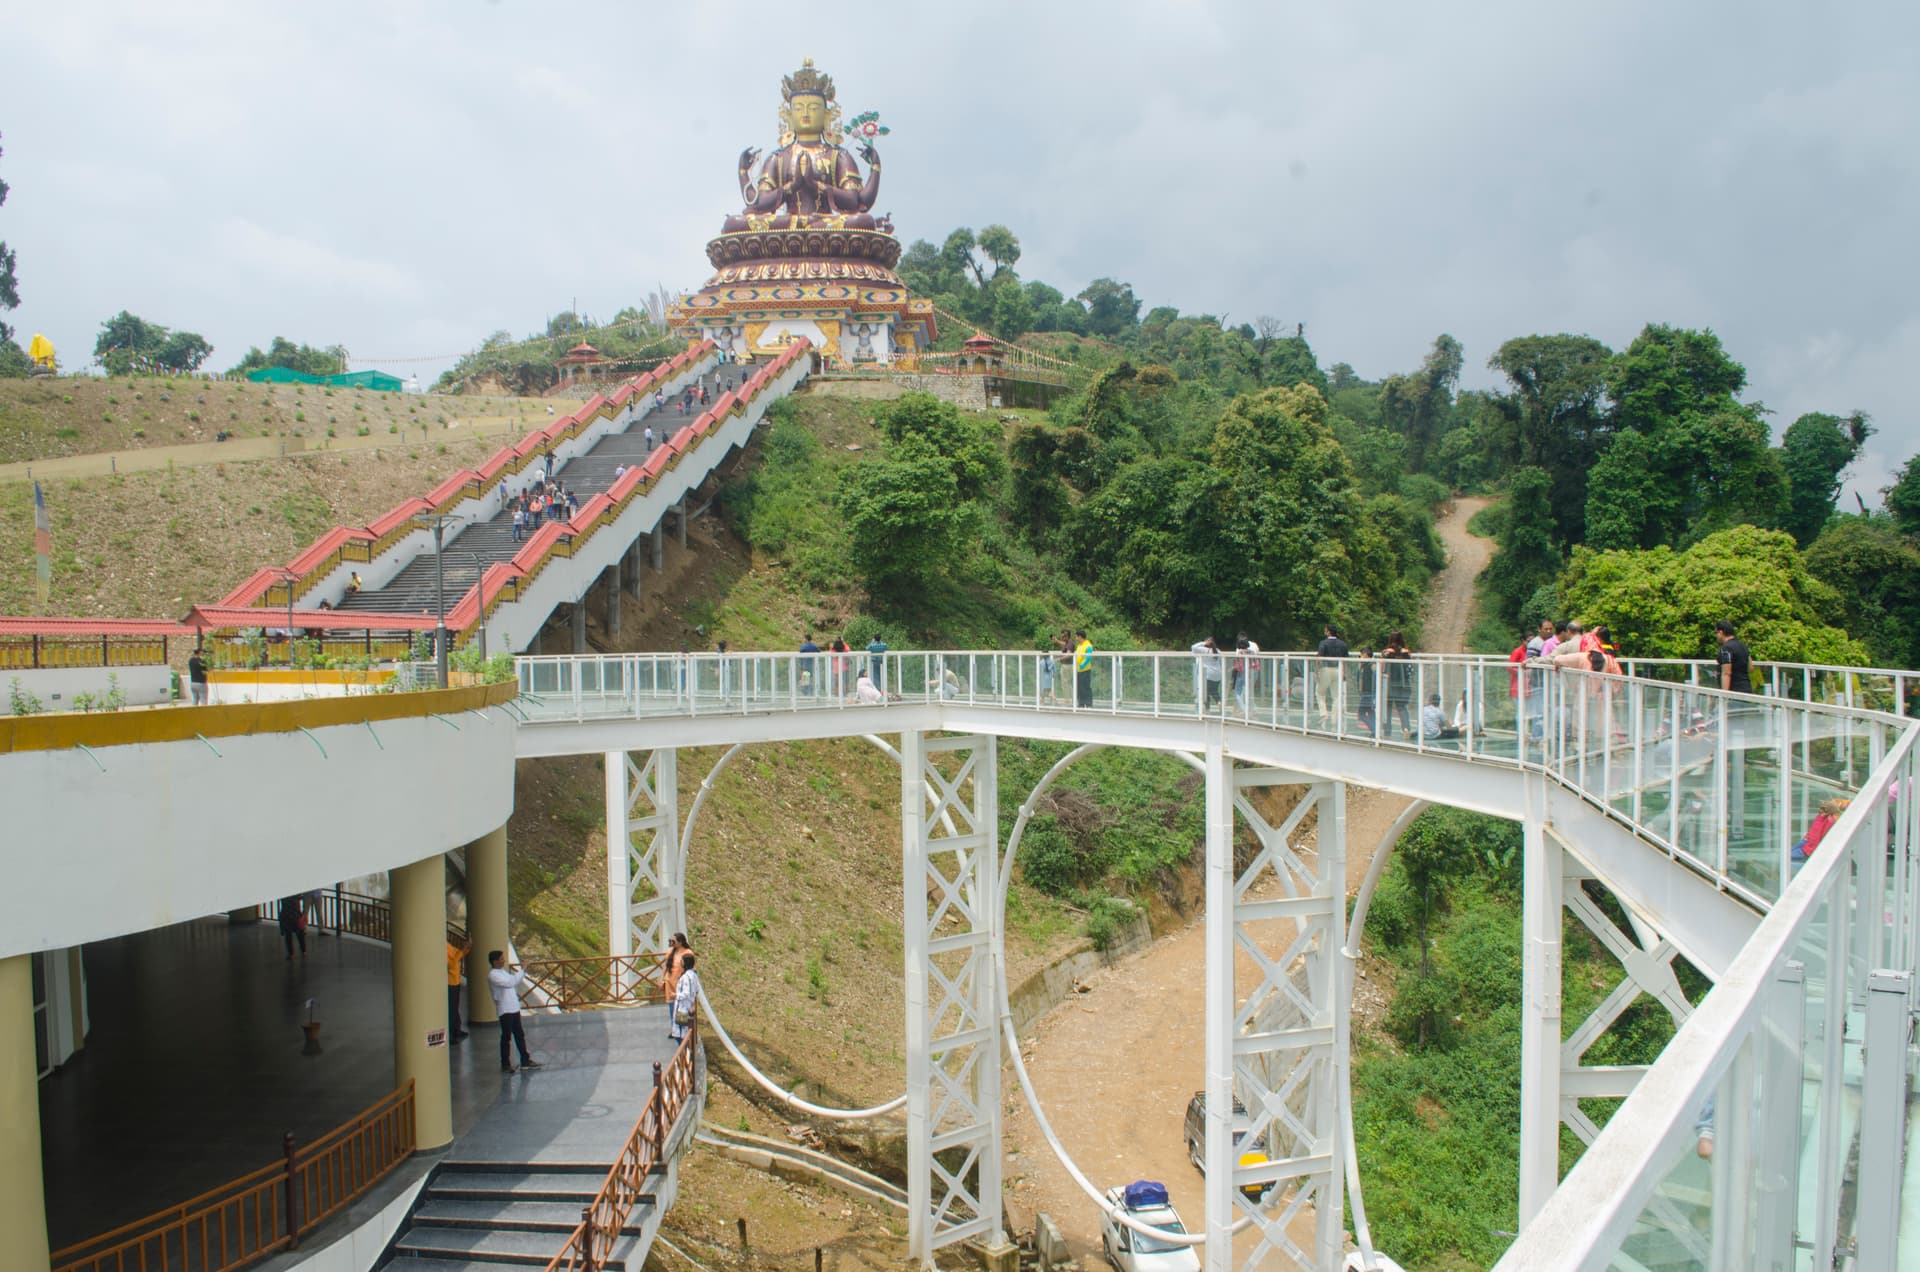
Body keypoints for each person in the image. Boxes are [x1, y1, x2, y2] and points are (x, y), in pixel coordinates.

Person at [487, 950, 541, 1073]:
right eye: (501, 959)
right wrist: (523, 969)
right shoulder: (493, 975)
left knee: (519, 1035)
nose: (503, 960)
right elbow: (510, 982)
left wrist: (522, 971)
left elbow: (513, 980)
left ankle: (525, 1060)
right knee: (506, 1037)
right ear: (495, 961)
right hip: (505, 1009)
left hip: (513, 1008)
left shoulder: (502, 972)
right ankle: (505, 1064)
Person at [1792, 797, 1850, 865]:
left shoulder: (1829, 821)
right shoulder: (1822, 817)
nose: (1820, 812)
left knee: (1788, 857)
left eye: (1823, 811)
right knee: (1787, 855)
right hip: (1807, 842)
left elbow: (1818, 837)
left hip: (1809, 847)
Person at [1381, 632, 1414, 738]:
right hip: (1403, 684)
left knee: (1387, 708)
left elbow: (1382, 667)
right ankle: (1406, 728)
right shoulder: (1406, 653)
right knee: (1402, 707)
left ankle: (1387, 732)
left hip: (1388, 684)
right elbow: (1410, 669)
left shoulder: (1386, 652)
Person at [1314, 625, 1348, 725]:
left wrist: (1317, 671)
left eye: (1325, 630)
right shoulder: (1343, 644)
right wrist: (1345, 673)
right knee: (1336, 696)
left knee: (1319, 692)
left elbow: (1320, 658)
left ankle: (1324, 714)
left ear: (1328, 632)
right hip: (1338, 670)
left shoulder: (1323, 643)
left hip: (1326, 669)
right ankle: (1334, 720)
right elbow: (1345, 660)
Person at [662, 933, 693, 1035]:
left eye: (673, 941)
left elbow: (692, 969)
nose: (671, 943)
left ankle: (683, 1030)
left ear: (680, 942)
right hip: (670, 984)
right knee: (672, 1007)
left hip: (681, 984)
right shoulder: (670, 951)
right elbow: (666, 966)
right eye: (669, 941)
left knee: (682, 1007)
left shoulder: (687, 953)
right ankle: (674, 1028)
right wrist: (662, 978)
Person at [670, 952, 702, 1043]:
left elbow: (686, 993)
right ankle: (685, 1053)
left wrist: (675, 995)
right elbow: (696, 990)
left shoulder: (685, 977)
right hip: (688, 1007)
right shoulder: (694, 975)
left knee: (679, 1034)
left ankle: (684, 1054)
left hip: (682, 1009)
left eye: (682, 961)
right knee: (683, 1032)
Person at [1715, 620, 1752, 694]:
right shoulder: (1743, 646)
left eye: (1716, 633)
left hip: (1734, 691)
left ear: (1721, 632)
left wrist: (1724, 695)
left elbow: (1727, 673)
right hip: (1746, 688)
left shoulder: (1726, 648)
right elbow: (1750, 668)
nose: (1716, 636)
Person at [446, 937, 471, 1044]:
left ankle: (457, 1030)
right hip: (449, 982)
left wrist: (466, 948)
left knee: (455, 1008)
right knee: (451, 1009)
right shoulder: (441, 948)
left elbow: (458, 953)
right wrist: (463, 950)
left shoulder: (447, 945)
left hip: (455, 981)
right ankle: (451, 1035)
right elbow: (451, 964)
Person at [1191, 636, 1224, 708]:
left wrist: (1203, 643)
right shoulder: (1218, 651)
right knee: (1214, 690)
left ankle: (1207, 709)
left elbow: (1193, 647)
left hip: (1208, 674)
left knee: (1206, 692)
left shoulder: (1204, 650)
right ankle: (1219, 701)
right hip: (1218, 674)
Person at [1234, 634, 1260, 712]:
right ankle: (1252, 708)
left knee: (1238, 692)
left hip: (1242, 673)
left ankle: (1244, 709)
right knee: (1248, 691)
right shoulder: (1252, 651)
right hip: (1252, 672)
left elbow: (1238, 664)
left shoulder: (1239, 652)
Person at [277, 894, 308, 960]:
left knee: (288, 936)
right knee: (300, 935)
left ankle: (291, 954)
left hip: (286, 916)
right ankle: (303, 951)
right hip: (295, 915)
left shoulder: (283, 895)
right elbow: (301, 897)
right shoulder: (296, 894)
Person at [1073, 630, 1095, 708]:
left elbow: (1088, 657)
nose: (1075, 638)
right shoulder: (1079, 646)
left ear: (1080, 636)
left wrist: (1082, 665)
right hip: (1078, 670)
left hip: (1085, 670)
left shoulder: (1088, 645)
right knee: (1079, 687)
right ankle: (1081, 703)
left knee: (1085, 687)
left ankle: (1088, 704)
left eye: (1076, 636)